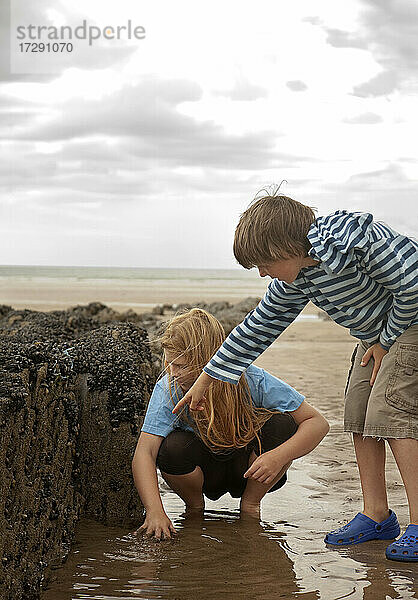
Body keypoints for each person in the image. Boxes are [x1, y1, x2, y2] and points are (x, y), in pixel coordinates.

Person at [173, 193, 418, 563]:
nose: (261, 272)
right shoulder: (297, 280)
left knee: (391, 415)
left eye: (263, 261)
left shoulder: (353, 239)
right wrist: (206, 380)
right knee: (358, 413)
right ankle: (377, 514)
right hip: (378, 337)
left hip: (410, 323)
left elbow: (413, 283)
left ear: (285, 246)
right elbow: (255, 330)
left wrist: (385, 340)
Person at [132, 308, 329, 539]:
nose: (172, 373)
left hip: (248, 470)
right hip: (205, 474)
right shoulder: (169, 389)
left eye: (181, 365)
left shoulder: (251, 379)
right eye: (169, 364)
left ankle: (251, 506)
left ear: (208, 360)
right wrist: (155, 511)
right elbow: (144, 452)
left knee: (281, 425)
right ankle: (195, 510)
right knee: (172, 447)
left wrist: (280, 456)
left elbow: (317, 423)